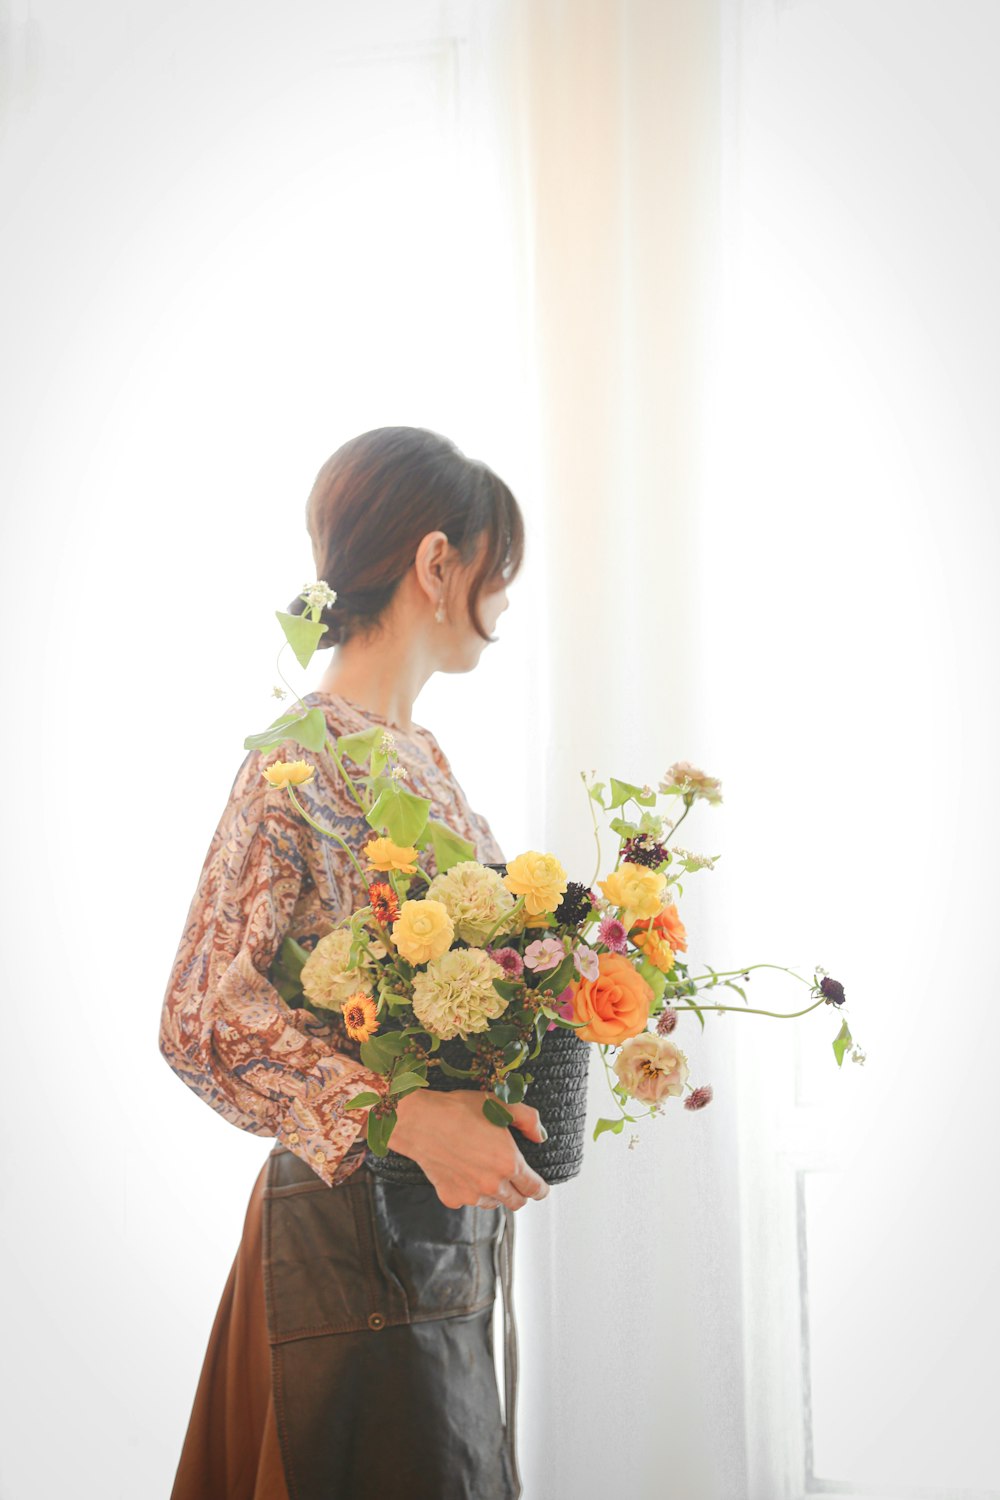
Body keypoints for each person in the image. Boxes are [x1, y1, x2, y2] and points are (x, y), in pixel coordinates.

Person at [159, 427, 550, 1500]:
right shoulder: (299, 754)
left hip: (435, 1243)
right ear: (437, 564)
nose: (506, 600)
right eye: (496, 568)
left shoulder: (419, 755)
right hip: (342, 1245)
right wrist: (400, 1116)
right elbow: (200, 1013)